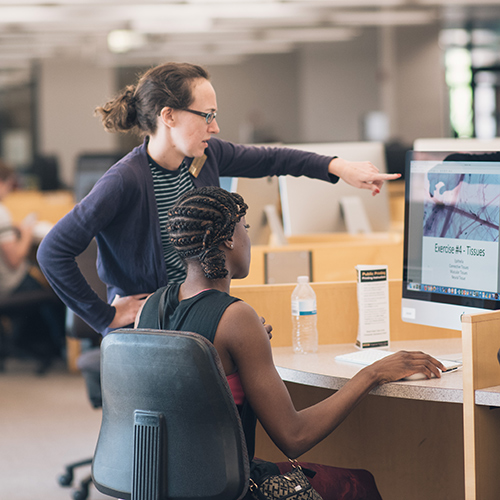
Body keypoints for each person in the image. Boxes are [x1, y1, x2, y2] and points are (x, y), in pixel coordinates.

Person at [37, 61, 400, 336]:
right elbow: (52, 252)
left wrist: (339, 167)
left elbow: (273, 158)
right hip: (153, 328)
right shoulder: (124, 180)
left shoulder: (205, 156)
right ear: (169, 116)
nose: (215, 127)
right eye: (207, 116)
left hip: (194, 313)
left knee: (254, 341)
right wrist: (104, 317)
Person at [135, 186, 445, 500]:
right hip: (226, 489)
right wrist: (372, 373)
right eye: (245, 228)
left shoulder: (149, 308)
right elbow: (294, 436)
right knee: (358, 486)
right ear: (228, 237)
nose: (248, 238)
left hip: (162, 485)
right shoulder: (236, 318)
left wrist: (248, 347)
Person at [0, 160, 65, 370]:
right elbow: (14, 260)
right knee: (57, 293)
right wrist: (27, 233)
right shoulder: (1, 212)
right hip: (9, 285)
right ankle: (59, 349)